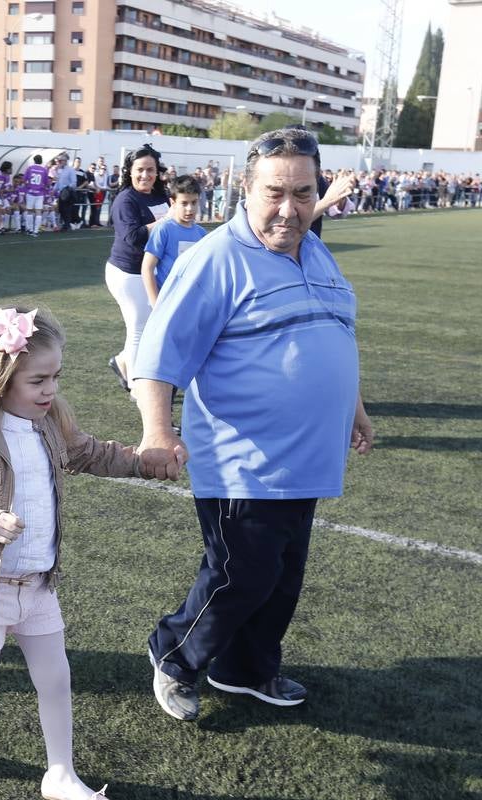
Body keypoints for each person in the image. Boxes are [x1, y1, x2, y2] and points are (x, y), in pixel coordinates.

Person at [132, 128, 374, 722]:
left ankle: (245, 669)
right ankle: (175, 654)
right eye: (274, 192)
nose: (289, 208)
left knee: (283, 575)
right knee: (243, 573)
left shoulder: (314, 250)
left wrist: (355, 406)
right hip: (245, 457)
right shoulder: (214, 259)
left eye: (303, 192)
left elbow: (333, 331)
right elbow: (157, 356)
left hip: (308, 456)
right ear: (245, 188)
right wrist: (158, 433)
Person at [0, 306, 176, 800]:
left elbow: (91, 453)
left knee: (56, 679)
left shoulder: (50, 422)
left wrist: (143, 462)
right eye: (38, 380)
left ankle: (61, 773)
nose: (49, 390)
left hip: (38, 585)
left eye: (55, 377)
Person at [104, 143, 169, 392]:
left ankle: (121, 362)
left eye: (150, 169)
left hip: (150, 271)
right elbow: (133, 236)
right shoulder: (125, 199)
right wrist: (165, 221)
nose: (145, 175)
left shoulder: (160, 196)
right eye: (140, 169)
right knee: (139, 330)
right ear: (130, 172)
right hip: (127, 274)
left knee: (148, 327)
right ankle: (136, 388)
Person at [141, 174, 206, 308]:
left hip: (191, 302)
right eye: (184, 203)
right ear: (173, 203)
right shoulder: (163, 229)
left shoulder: (201, 234)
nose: (190, 208)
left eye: (194, 202)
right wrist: (156, 304)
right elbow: (147, 268)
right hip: (167, 302)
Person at [21, 153, 49, 236]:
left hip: (30, 192)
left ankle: (29, 229)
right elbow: (46, 182)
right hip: (40, 193)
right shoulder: (44, 170)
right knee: (38, 212)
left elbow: (24, 180)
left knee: (29, 211)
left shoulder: (30, 168)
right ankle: (36, 231)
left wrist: (28, 187)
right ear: (41, 161)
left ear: (34, 160)